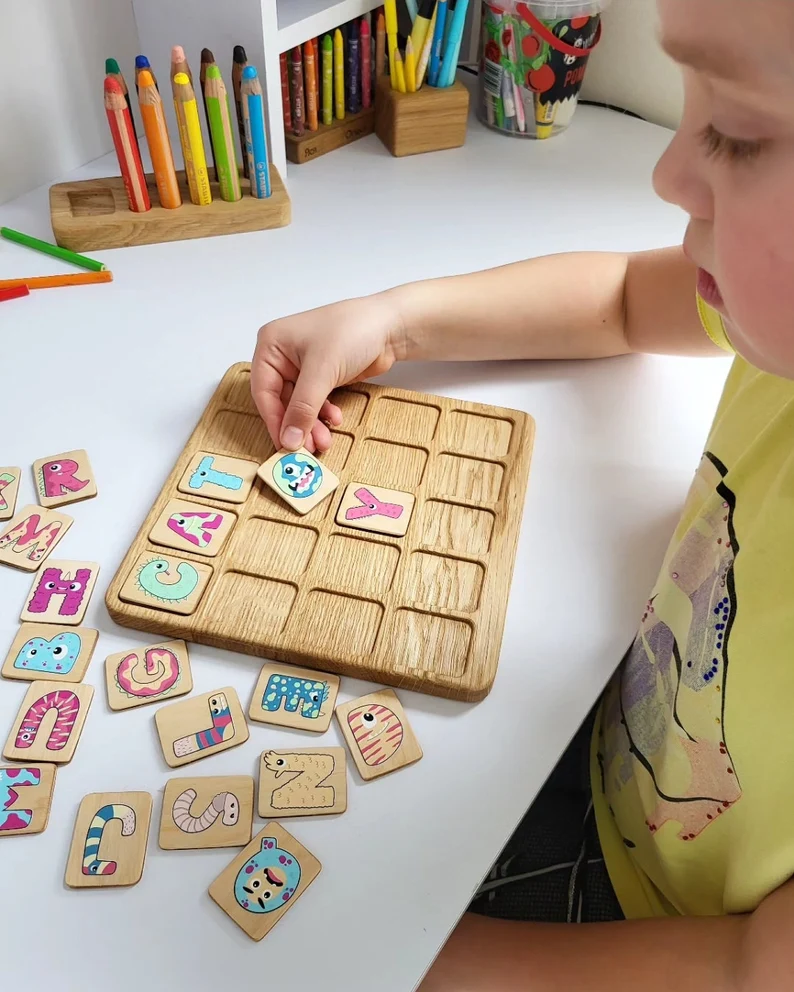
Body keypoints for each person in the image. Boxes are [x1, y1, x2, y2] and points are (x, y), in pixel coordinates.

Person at [251, 0, 794, 986]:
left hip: (648, 921)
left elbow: (746, 968)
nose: (666, 173)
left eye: (735, 131)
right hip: (617, 758)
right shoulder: (776, 328)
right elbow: (627, 296)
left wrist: (386, 962)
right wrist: (394, 318)